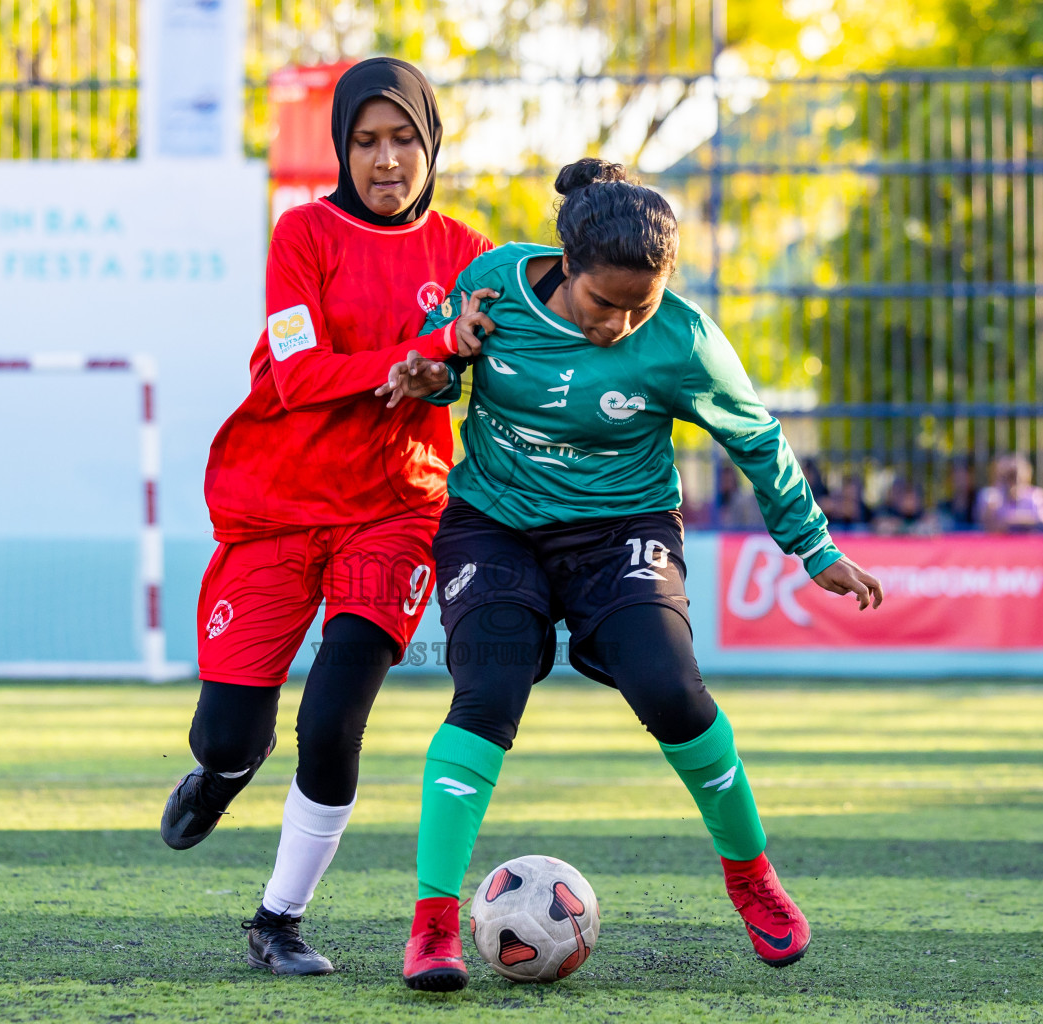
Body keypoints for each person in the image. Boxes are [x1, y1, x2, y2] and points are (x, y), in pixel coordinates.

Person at [377, 158, 884, 992]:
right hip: (494, 523)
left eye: (636, 306)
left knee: (672, 690)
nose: (616, 323)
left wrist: (812, 547)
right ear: (565, 263)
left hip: (622, 533)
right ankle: (432, 927)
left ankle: (752, 879)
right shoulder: (495, 283)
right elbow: (442, 369)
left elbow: (756, 439)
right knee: (487, 690)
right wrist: (433, 371)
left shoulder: (682, 339)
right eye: (601, 302)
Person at [157, 58, 494, 976]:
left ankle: (278, 921)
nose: (387, 161)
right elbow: (299, 375)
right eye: (366, 141)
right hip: (279, 506)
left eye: (404, 140)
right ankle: (222, 775)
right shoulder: (303, 231)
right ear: (343, 148)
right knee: (228, 734)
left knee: (337, 713)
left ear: (432, 144)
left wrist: (444, 371)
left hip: (396, 509)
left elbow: (482, 365)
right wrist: (417, 353)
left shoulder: (469, 253)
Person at [976, 454, 1043, 533]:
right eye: (1010, 475)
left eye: (1016, 474)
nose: (1015, 479)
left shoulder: (1036, 495)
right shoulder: (990, 495)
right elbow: (988, 525)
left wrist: (1009, 520)